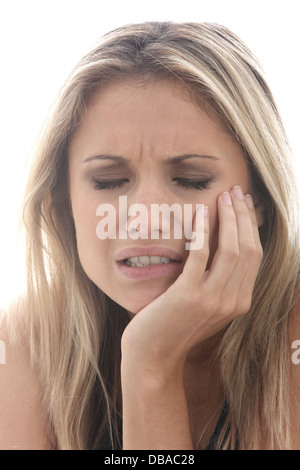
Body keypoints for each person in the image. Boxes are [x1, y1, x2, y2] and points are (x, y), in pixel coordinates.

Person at [0, 21, 299, 450]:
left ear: (262, 202)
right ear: (64, 203)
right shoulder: (23, 342)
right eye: (107, 181)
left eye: (192, 180)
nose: (144, 217)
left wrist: (150, 366)